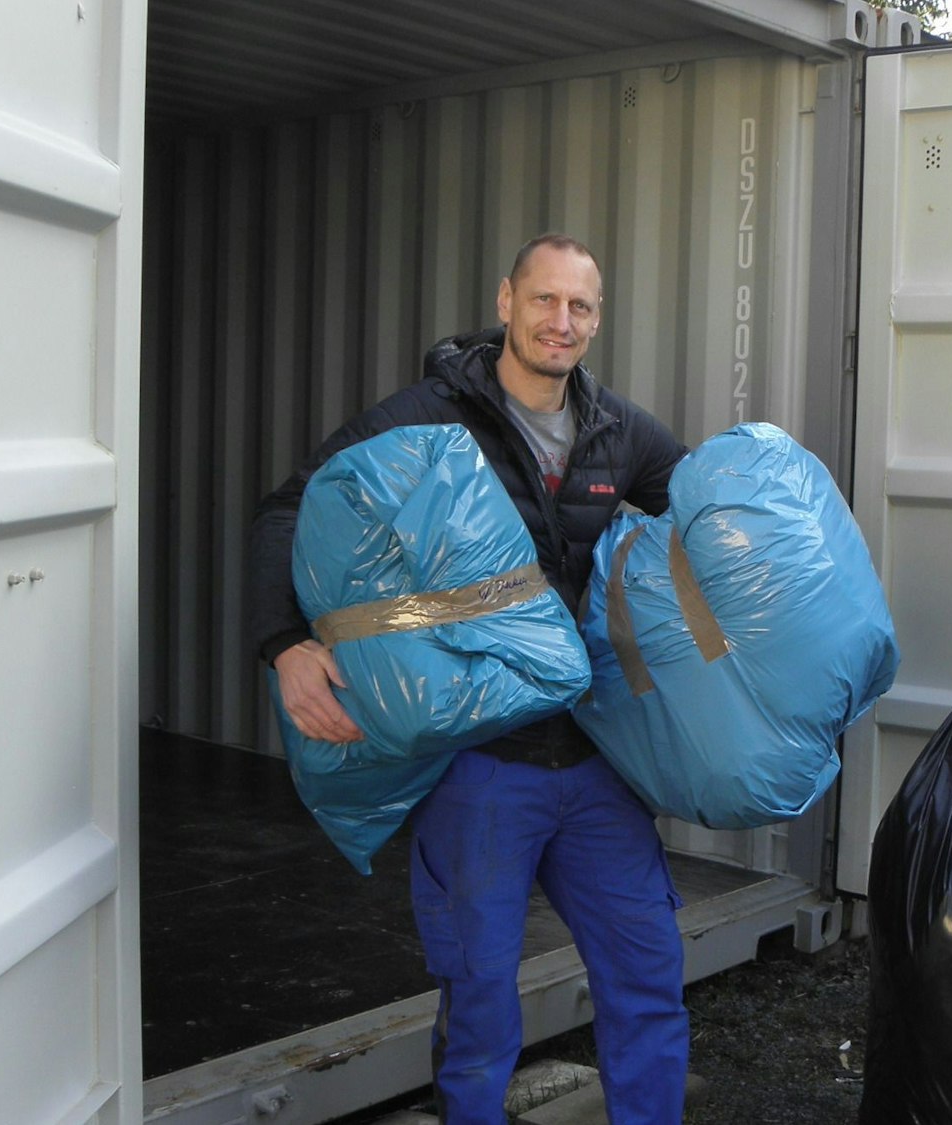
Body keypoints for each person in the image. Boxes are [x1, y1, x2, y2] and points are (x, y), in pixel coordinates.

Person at [248, 234, 691, 1124]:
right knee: (481, 996)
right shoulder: (426, 415)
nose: (560, 322)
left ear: (597, 320)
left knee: (647, 975)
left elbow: (707, 511)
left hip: (598, 761)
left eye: (580, 307)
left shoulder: (619, 431)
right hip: (482, 769)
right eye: (543, 300)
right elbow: (293, 504)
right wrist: (285, 642)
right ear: (505, 302)